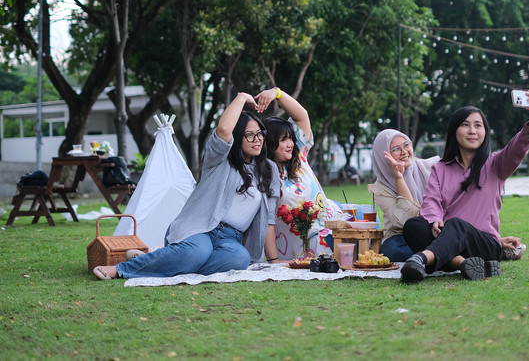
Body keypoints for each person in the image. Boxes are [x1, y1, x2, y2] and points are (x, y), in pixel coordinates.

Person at [92, 93, 281, 280]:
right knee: (197, 252)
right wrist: (241, 98)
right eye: (249, 135)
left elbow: (268, 220)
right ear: (238, 136)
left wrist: (273, 260)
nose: (257, 139)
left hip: (231, 238)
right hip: (201, 228)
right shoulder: (219, 160)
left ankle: (155, 260)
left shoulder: (269, 170)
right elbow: (223, 130)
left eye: (260, 134)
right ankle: (121, 269)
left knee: (239, 259)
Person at [401, 89, 529, 282]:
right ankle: (464, 264)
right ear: (454, 131)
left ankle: (422, 258)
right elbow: (431, 200)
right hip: (448, 237)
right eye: (465, 125)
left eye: (478, 125)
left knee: (456, 223)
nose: (472, 131)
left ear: (485, 132)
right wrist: (434, 219)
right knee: (413, 226)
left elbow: (517, 148)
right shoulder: (440, 168)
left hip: (484, 244)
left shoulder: (496, 164)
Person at [255, 87, 342, 260]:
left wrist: (277, 93)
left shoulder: (299, 156)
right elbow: (267, 222)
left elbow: (301, 116)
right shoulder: (263, 176)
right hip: (301, 245)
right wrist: (273, 261)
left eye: (291, 138)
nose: (290, 144)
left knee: (370, 225)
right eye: (283, 140)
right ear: (270, 143)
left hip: (335, 221)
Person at [368, 129, 439, 262]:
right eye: (395, 149)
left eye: (406, 145)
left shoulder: (429, 168)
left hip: (434, 229)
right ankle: (437, 255)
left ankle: (430, 256)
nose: (404, 152)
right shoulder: (381, 188)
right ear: (383, 156)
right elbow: (406, 220)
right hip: (399, 236)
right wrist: (399, 178)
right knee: (395, 252)